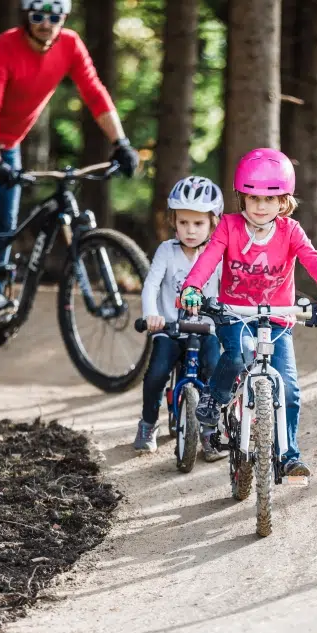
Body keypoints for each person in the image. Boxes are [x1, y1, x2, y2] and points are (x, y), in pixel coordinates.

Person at [0, 0, 140, 318]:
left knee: (8, 219)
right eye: (37, 15)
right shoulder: (4, 47)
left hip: (8, 139)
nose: (45, 24)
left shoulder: (71, 45)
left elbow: (94, 92)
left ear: (63, 17)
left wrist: (121, 143)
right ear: (25, 16)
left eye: (54, 16)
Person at [178, 149, 317, 478]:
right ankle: (214, 398)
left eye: (269, 200)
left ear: (283, 201)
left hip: (278, 319)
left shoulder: (291, 231)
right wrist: (193, 288)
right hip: (235, 314)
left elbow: (313, 259)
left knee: (289, 389)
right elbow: (208, 258)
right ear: (241, 197)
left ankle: (288, 456)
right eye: (252, 198)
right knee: (239, 357)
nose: (260, 206)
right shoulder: (228, 227)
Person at [134, 176, 225, 458]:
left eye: (198, 223)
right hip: (170, 328)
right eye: (183, 222)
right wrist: (152, 315)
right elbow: (151, 285)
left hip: (205, 329)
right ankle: (148, 424)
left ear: (213, 222)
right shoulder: (167, 251)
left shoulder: (217, 254)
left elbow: (226, 289)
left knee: (214, 369)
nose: (190, 230)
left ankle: (210, 432)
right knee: (156, 374)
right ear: (173, 221)